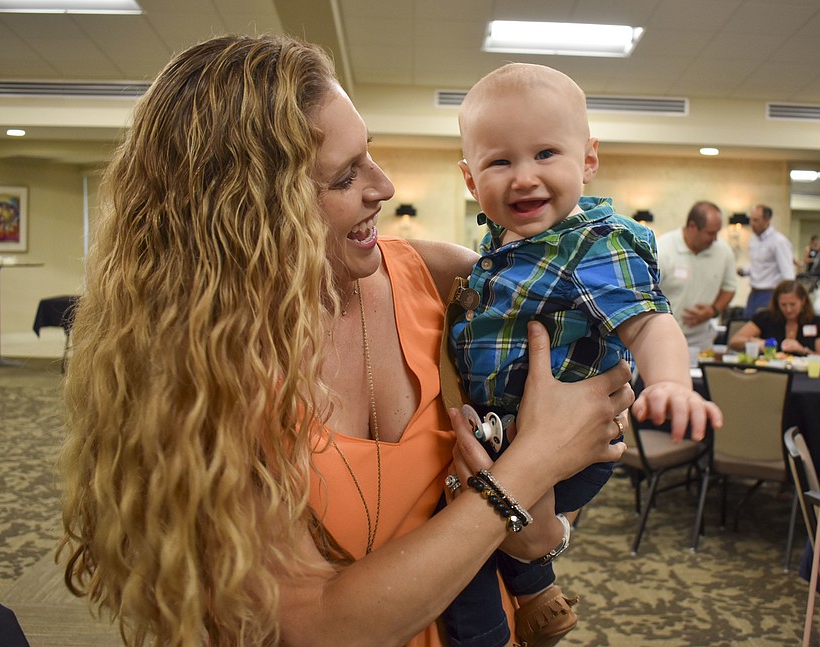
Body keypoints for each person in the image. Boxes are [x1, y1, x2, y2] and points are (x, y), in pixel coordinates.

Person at [56, 34, 639, 647]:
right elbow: (315, 624)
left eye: (371, 155)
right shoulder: (198, 377)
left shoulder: (443, 280)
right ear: (252, 212)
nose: (384, 187)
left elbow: (582, 420)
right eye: (343, 177)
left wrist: (548, 531)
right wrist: (525, 475)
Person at [446, 63, 721, 647]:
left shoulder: (593, 246)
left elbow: (649, 323)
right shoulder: (500, 246)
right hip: (511, 437)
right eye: (501, 162)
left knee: (457, 544)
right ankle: (537, 595)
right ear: (471, 180)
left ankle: (495, 631)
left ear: (588, 159)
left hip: (569, 446)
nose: (524, 177)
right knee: (474, 538)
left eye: (546, 153)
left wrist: (671, 382)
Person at [657, 201, 737, 350]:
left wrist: (713, 310)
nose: (715, 239)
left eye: (717, 232)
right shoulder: (662, 249)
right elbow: (645, 294)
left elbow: (729, 288)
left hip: (701, 339)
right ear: (693, 226)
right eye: (710, 233)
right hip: (662, 338)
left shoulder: (723, 252)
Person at [728, 279, 820, 355]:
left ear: (803, 301)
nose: (788, 309)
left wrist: (803, 350)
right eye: (783, 305)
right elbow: (734, 342)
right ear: (777, 303)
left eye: (793, 304)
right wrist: (757, 342)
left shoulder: (815, 321)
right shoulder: (765, 318)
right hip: (770, 372)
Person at [739, 204, 795, 318]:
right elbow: (760, 265)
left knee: (764, 329)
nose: (752, 224)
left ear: (767, 220)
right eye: (750, 220)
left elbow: (788, 275)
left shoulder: (779, 241)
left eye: (756, 220)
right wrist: (744, 271)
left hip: (770, 293)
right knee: (747, 324)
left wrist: (786, 300)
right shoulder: (754, 239)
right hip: (754, 292)